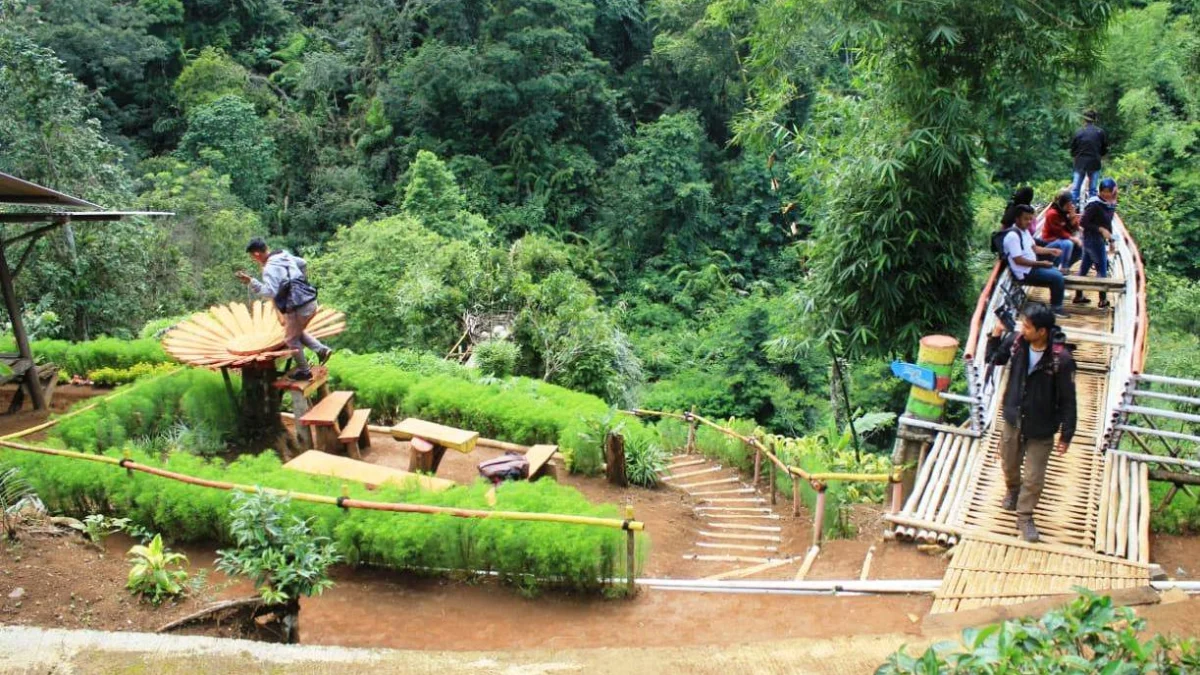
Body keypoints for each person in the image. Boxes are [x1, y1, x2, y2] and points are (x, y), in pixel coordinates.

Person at [986, 303, 1077, 543]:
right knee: (1009, 462)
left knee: (1035, 476)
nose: (1022, 329)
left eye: (1027, 326)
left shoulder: (1062, 359)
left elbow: (1069, 399)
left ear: (1042, 331)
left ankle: (1025, 516)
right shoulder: (1016, 343)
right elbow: (993, 359)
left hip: (1042, 426)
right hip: (1014, 417)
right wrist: (996, 335)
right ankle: (1013, 489)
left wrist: (1067, 434)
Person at [236, 237, 333, 381]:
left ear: (257, 254)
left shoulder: (269, 268)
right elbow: (303, 263)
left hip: (298, 307)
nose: (254, 260)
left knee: (290, 339)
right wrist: (300, 282)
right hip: (310, 300)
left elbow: (269, 292)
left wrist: (252, 281)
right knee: (295, 332)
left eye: (253, 257)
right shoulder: (283, 255)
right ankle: (322, 350)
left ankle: (304, 371)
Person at [1001, 204, 1069, 317]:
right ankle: (1056, 308)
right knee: (1057, 277)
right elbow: (1018, 260)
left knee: (1057, 272)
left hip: (1032, 267)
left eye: (1030, 219)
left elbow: (1034, 248)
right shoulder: (1012, 236)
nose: (1028, 222)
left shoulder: (1024, 231)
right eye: (1025, 219)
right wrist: (1041, 263)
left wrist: (1051, 251)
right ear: (1017, 219)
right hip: (1025, 272)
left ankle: (1056, 301)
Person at [1074, 178, 1117, 309]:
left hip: (1097, 240)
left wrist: (1111, 240)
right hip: (1092, 240)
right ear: (1100, 191)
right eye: (1103, 191)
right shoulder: (1095, 204)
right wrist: (1100, 229)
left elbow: (1108, 223)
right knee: (1102, 268)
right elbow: (1083, 223)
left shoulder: (1109, 203)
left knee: (1085, 267)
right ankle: (1103, 300)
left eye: (1109, 191)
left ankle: (1078, 295)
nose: (1106, 194)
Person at [1069, 110, 1109, 207]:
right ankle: (1092, 207)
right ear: (1095, 119)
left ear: (1084, 119)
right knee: (1093, 189)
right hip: (1094, 163)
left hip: (1080, 163)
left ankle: (1074, 207)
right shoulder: (1100, 132)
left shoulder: (1079, 132)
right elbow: (1104, 149)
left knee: (1075, 188)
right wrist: (1100, 156)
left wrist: (1075, 158)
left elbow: (1073, 150)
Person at [1039, 190, 1082, 274]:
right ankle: (1063, 267)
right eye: (1067, 204)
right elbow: (1060, 232)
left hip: (1062, 239)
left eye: (1070, 203)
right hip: (1050, 240)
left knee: (1080, 247)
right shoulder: (1052, 214)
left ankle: (1066, 266)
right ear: (1062, 203)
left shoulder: (1065, 211)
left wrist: (1073, 217)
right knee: (1068, 243)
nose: (1070, 206)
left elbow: (1074, 227)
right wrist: (1073, 239)